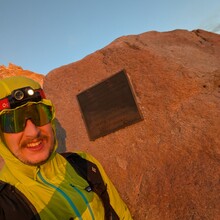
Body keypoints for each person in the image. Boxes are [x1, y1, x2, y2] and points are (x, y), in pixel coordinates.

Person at [0, 76, 132, 220]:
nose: (33, 132)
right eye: (12, 122)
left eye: (39, 114)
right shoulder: (4, 202)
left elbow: (122, 215)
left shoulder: (84, 163)